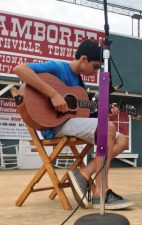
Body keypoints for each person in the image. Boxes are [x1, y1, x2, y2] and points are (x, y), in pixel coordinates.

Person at [13, 39, 134, 210]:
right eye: (95, 66)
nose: (96, 71)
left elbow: (83, 114)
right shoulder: (58, 67)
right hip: (53, 125)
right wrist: (53, 94)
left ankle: (83, 173)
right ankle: (101, 193)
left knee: (122, 140)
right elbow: (20, 69)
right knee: (108, 127)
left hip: (71, 123)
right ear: (83, 59)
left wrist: (104, 112)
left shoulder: (80, 85)